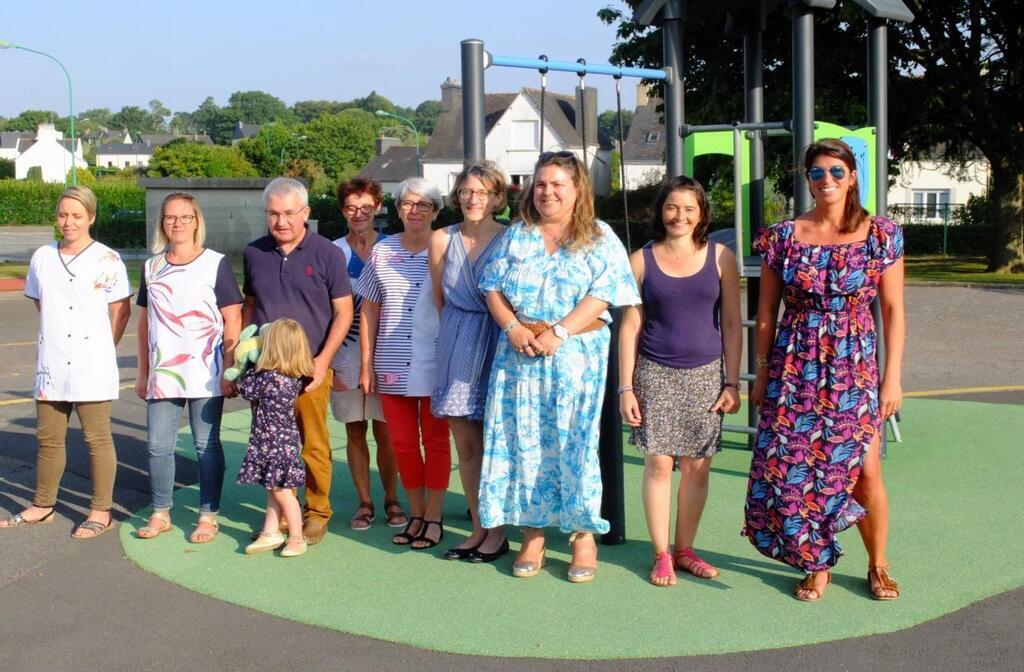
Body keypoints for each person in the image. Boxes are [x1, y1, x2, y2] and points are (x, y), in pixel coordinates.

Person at [744, 138, 906, 601]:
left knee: (865, 472)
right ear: (808, 181)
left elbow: (894, 311)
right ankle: (817, 561)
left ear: (852, 176)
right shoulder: (783, 237)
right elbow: (767, 314)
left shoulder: (881, 235)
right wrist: (760, 373)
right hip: (794, 369)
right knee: (796, 467)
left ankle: (878, 563)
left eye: (836, 171)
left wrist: (891, 378)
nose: (827, 180)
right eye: (817, 173)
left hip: (854, 371)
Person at [478, 151, 639, 582]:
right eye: (541, 183)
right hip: (519, 358)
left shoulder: (599, 236)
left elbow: (605, 293)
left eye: (557, 184)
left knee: (576, 444)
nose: (547, 192)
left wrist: (561, 332)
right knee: (523, 443)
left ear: (577, 189)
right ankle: (533, 532)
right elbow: (491, 287)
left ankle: (582, 535)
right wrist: (512, 327)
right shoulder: (518, 235)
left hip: (576, 360)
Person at [619, 176, 742, 587]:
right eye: (672, 207)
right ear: (661, 211)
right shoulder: (641, 260)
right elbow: (630, 325)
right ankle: (661, 554)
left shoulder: (721, 257)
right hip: (654, 373)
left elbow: (730, 323)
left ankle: (685, 549)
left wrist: (732, 382)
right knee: (657, 464)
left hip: (706, 375)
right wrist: (625, 386)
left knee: (696, 467)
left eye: (689, 208)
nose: (680, 215)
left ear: (702, 213)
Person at [0, 186, 131, 538]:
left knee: (97, 439)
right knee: (48, 439)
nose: (68, 222)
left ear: (91, 217)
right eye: (62, 214)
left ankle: (100, 511)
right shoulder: (43, 257)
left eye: (76, 215)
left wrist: (104, 346)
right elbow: (42, 302)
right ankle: (43, 505)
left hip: (93, 364)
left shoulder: (108, 259)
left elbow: (120, 310)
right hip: (53, 363)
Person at [242, 177, 353, 546]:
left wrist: (323, 362)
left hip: (309, 371)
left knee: (313, 444)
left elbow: (344, 313)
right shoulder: (254, 252)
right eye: (273, 214)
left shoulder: (327, 254)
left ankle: (316, 511)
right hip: (267, 370)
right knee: (272, 443)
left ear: (306, 213)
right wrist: (242, 355)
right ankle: (279, 515)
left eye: (289, 213)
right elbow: (251, 306)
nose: (281, 221)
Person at [133, 192, 242, 543]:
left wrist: (230, 367)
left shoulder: (215, 263)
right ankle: (161, 512)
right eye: (170, 218)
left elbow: (232, 318)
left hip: (206, 370)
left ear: (197, 221)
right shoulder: (151, 267)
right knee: (157, 446)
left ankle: (209, 515)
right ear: (162, 223)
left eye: (184, 217)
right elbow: (144, 322)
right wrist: (142, 370)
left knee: (206, 446)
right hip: (164, 371)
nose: (177, 223)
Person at [357, 177, 449, 550]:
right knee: (403, 443)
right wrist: (366, 364)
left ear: (436, 212)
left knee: (437, 442)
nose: (414, 211)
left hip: (437, 361)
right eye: (407, 204)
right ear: (397, 210)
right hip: (391, 363)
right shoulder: (382, 251)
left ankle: (434, 516)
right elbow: (369, 309)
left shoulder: (448, 247)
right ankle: (415, 513)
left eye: (423, 205)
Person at [428, 162, 509, 563]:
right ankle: (480, 528)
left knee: (500, 441)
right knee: (468, 446)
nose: (473, 199)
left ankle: (501, 530)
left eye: (482, 192)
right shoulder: (441, 239)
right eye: (466, 191)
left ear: (497, 198)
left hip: (501, 341)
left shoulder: (512, 239)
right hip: (458, 340)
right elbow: (440, 299)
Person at [331, 178, 405, 532]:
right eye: (350, 207)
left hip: (386, 351)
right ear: (342, 210)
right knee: (354, 431)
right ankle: (364, 502)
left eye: (365, 207)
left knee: (386, 431)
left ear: (377, 207)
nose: (358, 214)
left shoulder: (394, 248)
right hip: (344, 355)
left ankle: (392, 499)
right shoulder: (332, 252)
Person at [237, 319, 314, 557]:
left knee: (281, 491)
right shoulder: (292, 377)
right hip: (282, 442)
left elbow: (245, 388)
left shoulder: (269, 378)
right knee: (273, 487)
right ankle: (271, 530)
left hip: (272, 443)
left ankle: (297, 536)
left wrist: (246, 359)